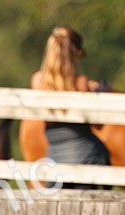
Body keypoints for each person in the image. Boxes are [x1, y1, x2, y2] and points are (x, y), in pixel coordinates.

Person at [30, 26, 110, 189]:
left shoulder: (37, 80)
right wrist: (97, 93)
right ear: (73, 54)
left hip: (54, 156)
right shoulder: (80, 82)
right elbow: (98, 125)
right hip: (86, 156)